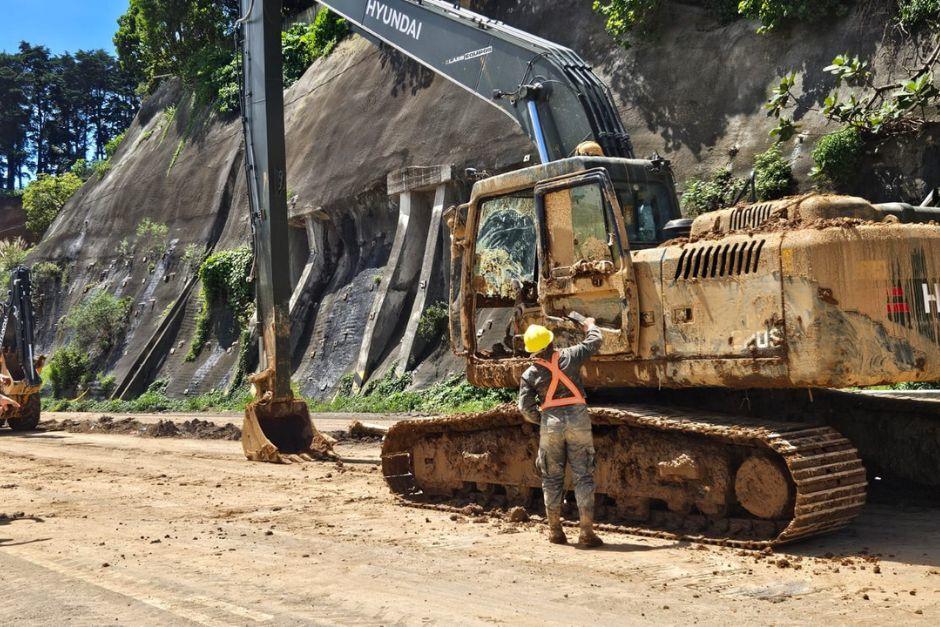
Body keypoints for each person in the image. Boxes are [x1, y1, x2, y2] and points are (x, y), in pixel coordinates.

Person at [518, 318, 603, 547]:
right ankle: (586, 534)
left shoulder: (529, 374)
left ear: (531, 350)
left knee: (551, 478)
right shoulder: (570, 356)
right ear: (551, 340)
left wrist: (544, 419)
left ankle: (555, 532)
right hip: (577, 419)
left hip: (550, 423)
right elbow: (595, 341)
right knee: (583, 475)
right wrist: (589, 325)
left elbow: (525, 409)